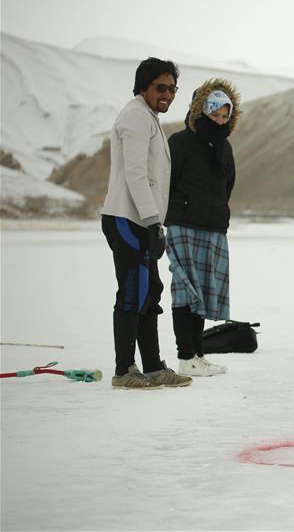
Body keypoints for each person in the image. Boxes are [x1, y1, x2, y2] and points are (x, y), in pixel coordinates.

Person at [100, 57, 192, 389]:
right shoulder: (135, 118)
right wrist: (154, 223)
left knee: (150, 291)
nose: (167, 94)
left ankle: (152, 367)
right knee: (133, 292)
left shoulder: (147, 117)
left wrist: (154, 224)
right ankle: (124, 370)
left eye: (172, 88)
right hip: (128, 218)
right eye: (161, 87)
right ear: (143, 87)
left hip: (141, 220)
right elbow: (136, 173)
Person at [165, 79, 240, 377]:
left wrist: (219, 211)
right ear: (200, 111)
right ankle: (185, 357)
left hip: (214, 227)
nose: (219, 121)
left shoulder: (225, 147)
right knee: (186, 289)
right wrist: (177, 211)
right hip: (184, 225)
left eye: (224, 116)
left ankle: (198, 354)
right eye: (214, 115)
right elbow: (166, 183)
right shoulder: (179, 142)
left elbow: (228, 185)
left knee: (205, 293)